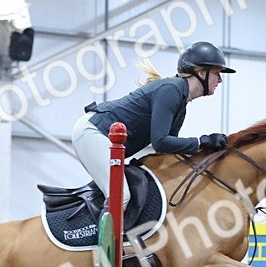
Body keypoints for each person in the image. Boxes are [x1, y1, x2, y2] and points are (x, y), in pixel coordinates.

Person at [71, 40, 235, 211]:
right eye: (217, 73)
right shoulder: (172, 90)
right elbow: (160, 142)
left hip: (99, 134)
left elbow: (167, 150)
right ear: (201, 73)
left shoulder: (180, 102)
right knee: (121, 196)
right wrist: (202, 142)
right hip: (93, 131)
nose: (220, 80)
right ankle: (102, 238)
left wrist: (206, 151)